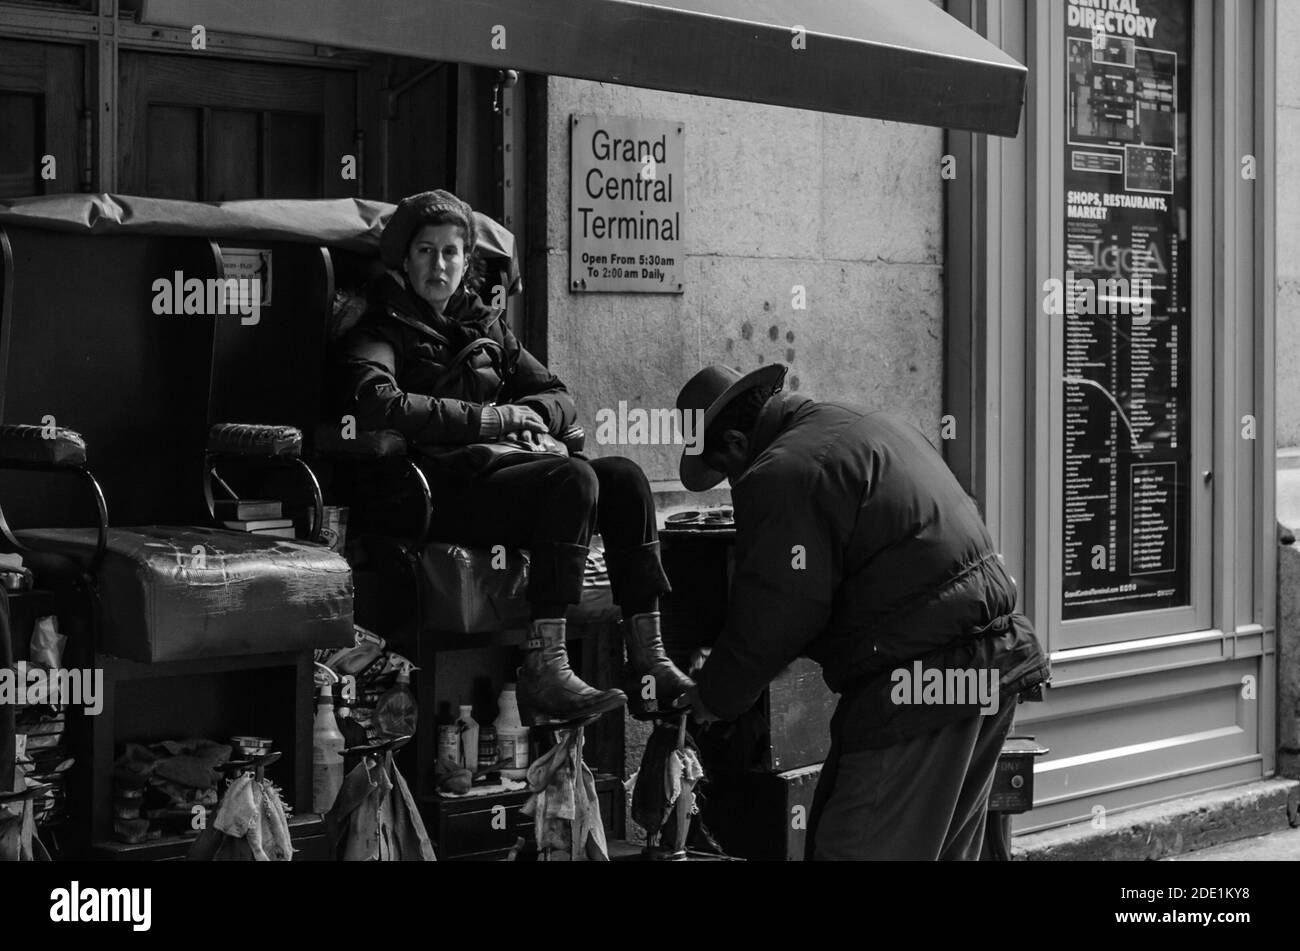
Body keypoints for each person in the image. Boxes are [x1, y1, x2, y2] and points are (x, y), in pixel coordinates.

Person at [336, 190, 692, 726]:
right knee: (571, 478)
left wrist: (532, 421)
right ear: (405, 260)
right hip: (435, 490)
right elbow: (378, 402)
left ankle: (648, 659)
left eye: (451, 253)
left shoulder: (488, 326)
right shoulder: (380, 324)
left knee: (623, 477)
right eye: (426, 252)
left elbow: (560, 395)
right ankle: (545, 667)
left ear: (466, 262)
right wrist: (492, 420)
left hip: (501, 474)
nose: (440, 264)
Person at [672, 363, 1049, 860]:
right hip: (990, 665)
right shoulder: (860, 423)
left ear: (738, 443)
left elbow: (777, 613)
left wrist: (713, 698)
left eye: (726, 473)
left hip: (924, 682)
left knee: (855, 845)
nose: (733, 483)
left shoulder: (782, 471)